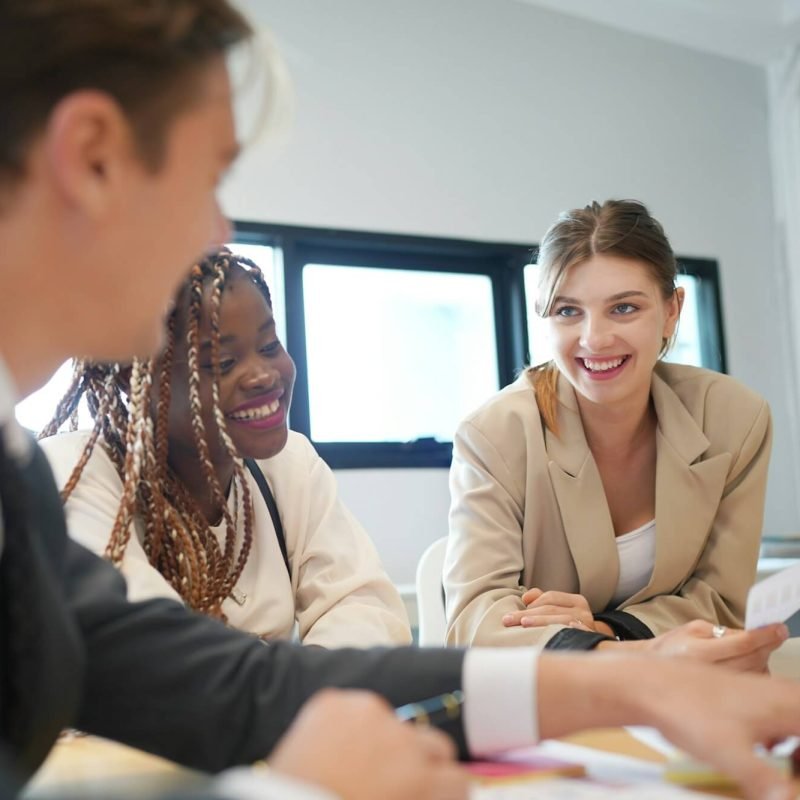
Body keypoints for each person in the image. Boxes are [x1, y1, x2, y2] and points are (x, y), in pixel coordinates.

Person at [2, 4, 800, 800]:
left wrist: (631, 687)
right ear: (94, 158)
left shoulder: (18, 481)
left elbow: (218, 682)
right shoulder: (57, 475)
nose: (220, 225)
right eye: (210, 178)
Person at [445, 199, 775, 662]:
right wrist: (598, 649)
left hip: (680, 684)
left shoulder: (733, 418)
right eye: (567, 311)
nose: (594, 339)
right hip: (554, 695)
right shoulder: (494, 434)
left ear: (671, 310)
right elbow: (474, 622)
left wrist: (605, 629)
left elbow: (720, 602)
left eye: (623, 308)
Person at [38, 247, 411, 647]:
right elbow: (157, 656)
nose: (264, 375)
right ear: (137, 378)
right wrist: (300, 684)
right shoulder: (75, 474)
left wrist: (304, 691)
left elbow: (365, 609)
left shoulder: (289, 466)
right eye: (222, 362)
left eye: (269, 346)